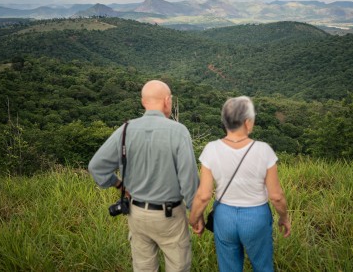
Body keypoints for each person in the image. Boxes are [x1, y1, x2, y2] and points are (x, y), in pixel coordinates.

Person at [88, 80, 199, 272]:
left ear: (143, 102)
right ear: (167, 101)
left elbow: (96, 167)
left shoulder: (124, 130)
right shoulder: (178, 131)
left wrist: (119, 185)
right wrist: (195, 213)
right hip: (169, 216)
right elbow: (188, 179)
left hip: (137, 213)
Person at [189, 96, 291, 272]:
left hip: (224, 216)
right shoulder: (263, 150)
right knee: (263, 266)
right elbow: (276, 196)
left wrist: (194, 218)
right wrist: (284, 217)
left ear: (225, 122)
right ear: (248, 122)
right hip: (256, 215)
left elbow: (204, 195)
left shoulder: (211, 149)